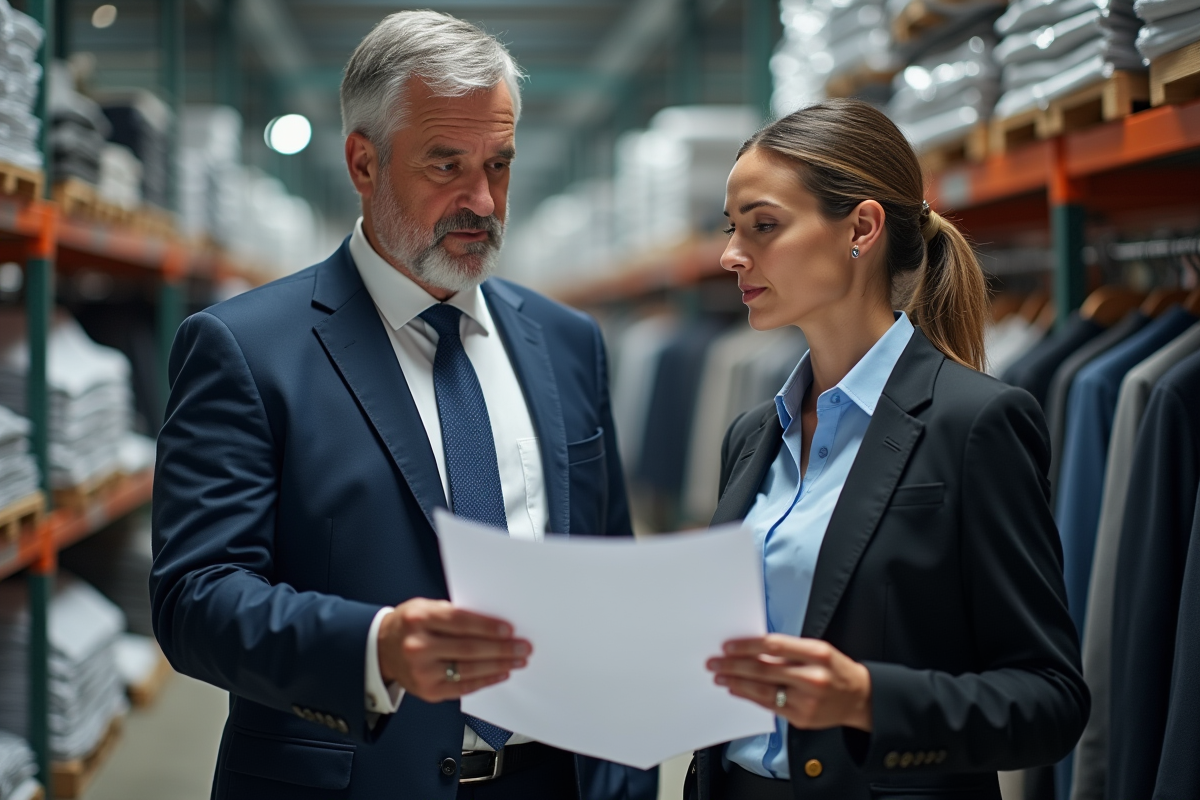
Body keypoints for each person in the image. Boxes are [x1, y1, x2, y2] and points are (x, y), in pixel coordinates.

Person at [150, 11, 655, 800]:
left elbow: (609, 573)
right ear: (363, 162)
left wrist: (627, 769)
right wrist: (377, 648)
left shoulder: (566, 343)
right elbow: (196, 599)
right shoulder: (245, 348)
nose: (482, 201)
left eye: (500, 164)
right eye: (446, 165)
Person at [688, 99, 1090, 800]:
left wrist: (868, 698)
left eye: (764, 226)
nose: (731, 254)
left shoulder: (976, 424)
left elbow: (1048, 702)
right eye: (733, 229)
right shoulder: (754, 435)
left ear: (862, 228)